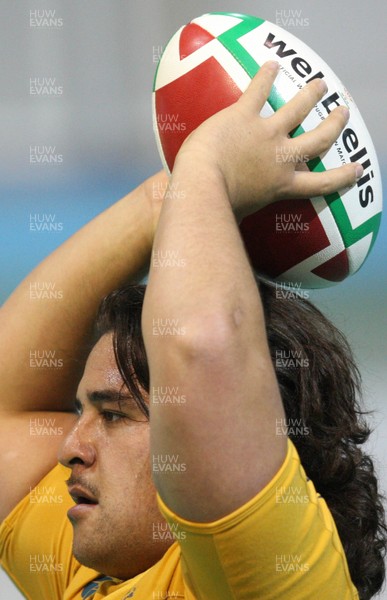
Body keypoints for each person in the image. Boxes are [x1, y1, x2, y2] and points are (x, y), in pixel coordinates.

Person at [0, 62, 385, 600]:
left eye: (113, 414)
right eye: (84, 410)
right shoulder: (94, 579)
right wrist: (177, 190)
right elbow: (7, 410)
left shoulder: (272, 575)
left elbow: (203, 347)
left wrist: (210, 166)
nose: (69, 446)